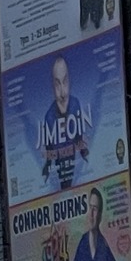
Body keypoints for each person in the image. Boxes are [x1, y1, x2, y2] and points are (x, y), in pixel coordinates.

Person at [41, 56, 91, 190]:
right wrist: (47, 166)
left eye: (65, 82)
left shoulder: (75, 104)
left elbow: (78, 135)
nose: (63, 93)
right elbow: (49, 150)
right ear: (52, 86)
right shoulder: (49, 118)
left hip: (73, 159)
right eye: (58, 84)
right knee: (65, 186)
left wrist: (84, 152)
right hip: (61, 164)